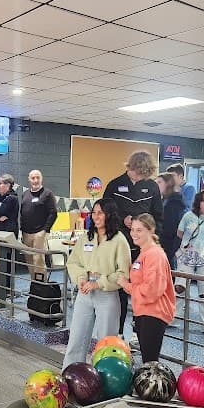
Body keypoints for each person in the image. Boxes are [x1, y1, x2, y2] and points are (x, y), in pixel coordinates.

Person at [117, 213, 175, 408]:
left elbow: (153, 290)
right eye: (132, 230)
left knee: (151, 365)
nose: (134, 234)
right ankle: (153, 407)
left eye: (139, 230)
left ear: (151, 231)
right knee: (149, 362)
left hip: (154, 313)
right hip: (144, 312)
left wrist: (127, 285)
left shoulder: (155, 255)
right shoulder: (144, 253)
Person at [62, 198, 131, 368]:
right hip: (85, 293)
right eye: (94, 212)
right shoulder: (86, 237)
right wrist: (81, 278)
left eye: (100, 213)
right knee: (76, 338)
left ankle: (103, 378)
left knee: (106, 343)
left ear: (110, 214)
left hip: (107, 294)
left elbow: (123, 273)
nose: (96, 216)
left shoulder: (119, 240)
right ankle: (70, 373)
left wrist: (99, 283)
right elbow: (73, 262)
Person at [105, 150, 163, 333]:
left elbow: (158, 218)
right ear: (131, 167)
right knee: (119, 291)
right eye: (138, 173)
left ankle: (140, 332)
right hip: (119, 245)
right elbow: (103, 214)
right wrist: (122, 220)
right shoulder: (114, 185)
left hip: (143, 249)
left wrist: (148, 232)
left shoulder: (152, 187)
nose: (140, 178)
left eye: (144, 175)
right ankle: (118, 332)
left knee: (142, 292)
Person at [174, 188, 204, 336]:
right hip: (187, 256)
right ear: (198, 202)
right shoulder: (188, 216)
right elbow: (179, 233)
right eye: (203, 201)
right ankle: (173, 320)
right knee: (179, 288)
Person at [20, 169, 57, 282]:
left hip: (40, 233)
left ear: (41, 179)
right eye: (33, 178)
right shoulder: (25, 194)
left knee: (38, 261)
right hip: (26, 233)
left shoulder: (47, 194)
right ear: (29, 179)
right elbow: (22, 212)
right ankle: (34, 284)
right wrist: (21, 230)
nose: (35, 180)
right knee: (29, 260)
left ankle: (41, 285)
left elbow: (53, 213)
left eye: (38, 178)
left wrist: (45, 230)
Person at [156, 172, 187, 269]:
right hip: (164, 243)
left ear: (168, 183)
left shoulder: (174, 202)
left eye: (159, 182)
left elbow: (171, 228)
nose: (156, 185)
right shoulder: (163, 201)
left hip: (169, 245)